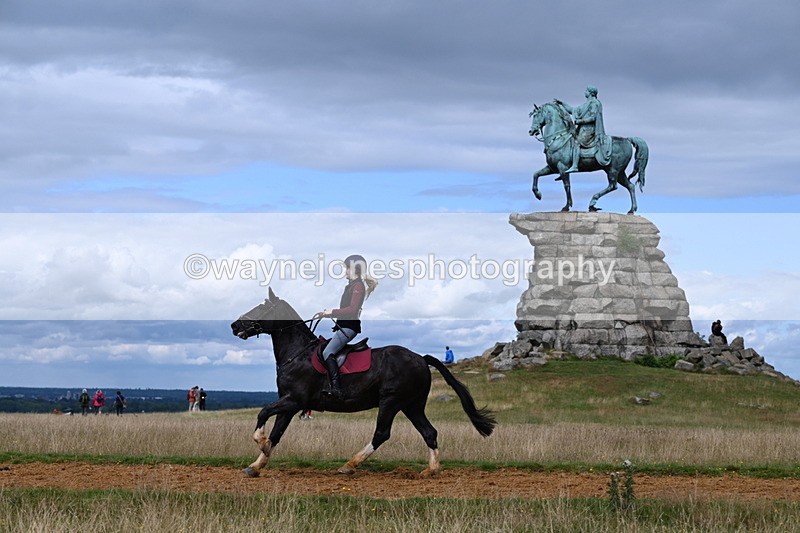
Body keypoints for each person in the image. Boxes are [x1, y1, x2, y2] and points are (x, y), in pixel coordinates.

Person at [318, 254, 378, 400]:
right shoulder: (352, 285)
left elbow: (352, 309)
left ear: (354, 269)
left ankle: (337, 389)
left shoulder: (357, 286)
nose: (345, 271)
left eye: (346, 268)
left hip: (349, 328)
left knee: (327, 353)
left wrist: (330, 312)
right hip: (344, 326)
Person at [554, 85, 612, 174]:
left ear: (591, 93)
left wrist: (580, 121)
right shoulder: (585, 104)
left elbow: (593, 118)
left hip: (590, 130)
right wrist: (562, 103)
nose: (585, 92)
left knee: (576, 142)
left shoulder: (595, 103)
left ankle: (575, 165)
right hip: (582, 129)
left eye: (586, 90)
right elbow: (572, 110)